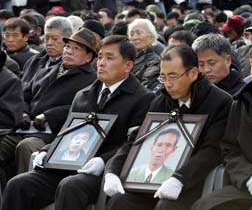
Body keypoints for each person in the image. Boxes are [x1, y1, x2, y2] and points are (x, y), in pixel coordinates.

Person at [2, 35, 154, 210]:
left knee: (71, 186)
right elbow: (68, 132)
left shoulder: (142, 98)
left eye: (109, 58)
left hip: (103, 171)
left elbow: (134, 144)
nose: (101, 63)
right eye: (101, 56)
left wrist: (103, 161)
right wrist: (47, 151)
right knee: (19, 184)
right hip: (69, 163)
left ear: (128, 66)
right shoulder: (84, 95)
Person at [104, 44, 232, 210]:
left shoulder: (220, 102)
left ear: (193, 73)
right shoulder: (160, 101)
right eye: (163, 77)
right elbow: (138, 140)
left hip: (193, 183)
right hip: (152, 182)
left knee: (166, 206)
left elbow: (213, 149)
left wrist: (179, 179)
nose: (168, 84)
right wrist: (112, 171)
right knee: (120, 201)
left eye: (173, 76)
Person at [192, 38, 252, 210]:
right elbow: (230, 149)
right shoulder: (242, 103)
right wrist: (250, 177)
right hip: (251, 183)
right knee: (205, 205)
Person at [0, 28, 98, 176]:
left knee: (27, 146)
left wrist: (49, 116)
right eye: (67, 46)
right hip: (24, 128)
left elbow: (82, 109)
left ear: (89, 57)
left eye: (76, 49)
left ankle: (23, 192)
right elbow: (24, 96)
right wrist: (24, 113)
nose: (68, 51)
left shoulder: (93, 80)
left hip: (54, 134)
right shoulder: (45, 71)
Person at [21, 16, 73, 87]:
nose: (49, 43)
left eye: (55, 39)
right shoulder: (34, 61)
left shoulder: (72, 65)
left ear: (68, 39)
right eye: (46, 38)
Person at [128, 18, 160, 91]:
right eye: (131, 34)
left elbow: (146, 85)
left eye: (139, 33)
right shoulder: (127, 58)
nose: (134, 37)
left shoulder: (154, 61)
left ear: (151, 37)